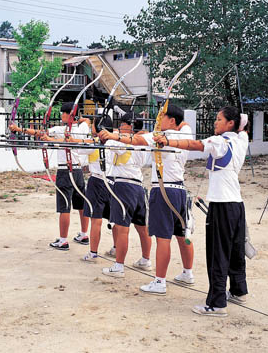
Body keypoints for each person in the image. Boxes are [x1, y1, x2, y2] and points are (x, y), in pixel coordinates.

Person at [154, 106, 249, 316]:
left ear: (230, 124)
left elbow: (194, 144)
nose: (215, 122)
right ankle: (238, 291)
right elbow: (243, 123)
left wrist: (168, 141)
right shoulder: (242, 139)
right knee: (234, 251)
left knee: (218, 253)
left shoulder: (219, 142)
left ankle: (216, 304)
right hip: (236, 204)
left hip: (222, 204)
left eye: (219, 119)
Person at [99, 105, 194, 295]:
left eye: (162, 117)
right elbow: (182, 124)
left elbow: (137, 139)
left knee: (163, 238)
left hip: (163, 191)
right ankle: (187, 273)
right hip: (180, 190)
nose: (159, 121)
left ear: (172, 121)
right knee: (182, 235)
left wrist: (113, 136)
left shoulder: (160, 136)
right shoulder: (185, 134)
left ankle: (159, 282)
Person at [11, 102, 91, 251]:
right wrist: (81, 119)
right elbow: (87, 121)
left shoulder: (60, 130)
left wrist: (18, 129)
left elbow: (39, 134)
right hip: (79, 172)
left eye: (63, 113)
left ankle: (62, 240)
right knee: (81, 205)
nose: (61, 116)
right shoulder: (82, 128)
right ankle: (84, 234)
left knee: (64, 208)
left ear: (68, 115)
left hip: (65, 172)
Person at [99, 112, 152, 278]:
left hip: (124, 186)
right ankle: (146, 260)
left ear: (129, 126)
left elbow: (108, 143)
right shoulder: (143, 140)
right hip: (138, 188)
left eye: (123, 124)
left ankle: (119, 266)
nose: (120, 126)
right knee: (142, 227)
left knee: (122, 227)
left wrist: (107, 135)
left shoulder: (122, 142)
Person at [75, 116, 115, 262]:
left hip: (98, 182)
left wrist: (82, 128)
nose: (91, 127)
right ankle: (116, 248)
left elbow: (78, 148)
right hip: (114, 182)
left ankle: (93, 253)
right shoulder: (117, 140)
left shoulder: (94, 144)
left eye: (93, 125)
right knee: (114, 218)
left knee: (96, 219)